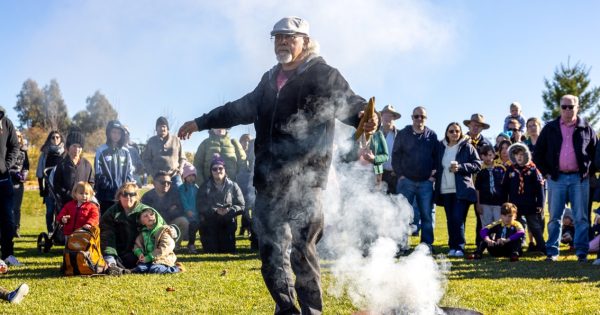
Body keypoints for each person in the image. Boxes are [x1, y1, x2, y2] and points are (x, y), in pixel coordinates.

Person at [177, 16, 378, 314]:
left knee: (302, 253)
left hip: (306, 182)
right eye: (278, 37)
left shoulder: (322, 74)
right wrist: (200, 122)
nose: (283, 42)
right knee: (270, 254)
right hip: (268, 184)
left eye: (290, 37)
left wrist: (365, 115)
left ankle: (312, 312)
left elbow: (349, 102)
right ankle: (286, 310)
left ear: (305, 42)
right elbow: (237, 109)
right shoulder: (269, 80)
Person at [534, 94, 597, 262]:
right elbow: (537, 154)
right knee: (554, 217)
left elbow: (595, 153)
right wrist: (547, 173)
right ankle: (552, 252)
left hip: (579, 179)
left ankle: (581, 252)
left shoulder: (586, 128)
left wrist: (588, 172)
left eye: (571, 106)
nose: (567, 110)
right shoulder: (550, 128)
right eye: (564, 107)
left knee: (582, 217)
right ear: (560, 107)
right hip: (556, 179)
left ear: (578, 107)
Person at [392, 106, 439, 250]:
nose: (419, 119)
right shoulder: (403, 134)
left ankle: (426, 246)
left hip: (426, 182)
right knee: (402, 215)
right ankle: (401, 245)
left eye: (422, 117)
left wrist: (433, 176)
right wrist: (400, 175)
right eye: (416, 116)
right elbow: (395, 155)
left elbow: (437, 157)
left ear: (426, 118)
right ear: (412, 117)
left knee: (426, 215)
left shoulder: (432, 135)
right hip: (406, 182)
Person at [435, 122, 481, 257]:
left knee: (458, 218)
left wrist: (461, 167)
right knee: (450, 220)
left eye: (457, 131)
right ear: (446, 133)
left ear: (461, 132)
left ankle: (460, 247)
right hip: (445, 189)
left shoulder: (468, 147)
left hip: (462, 189)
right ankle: (452, 247)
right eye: (451, 131)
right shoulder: (440, 147)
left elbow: (477, 164)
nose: (454, 133)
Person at [502, 143, 545, 253]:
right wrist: (504, 203)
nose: (519, 157)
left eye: (521, 154)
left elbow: (540, 187)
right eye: (516, 155)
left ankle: (542, 246)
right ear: (513, 156)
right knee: (517, 226)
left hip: (530, 204)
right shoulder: (510, 170)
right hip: (514, 205)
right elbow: (505, 187)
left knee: (535, 226)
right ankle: (517, 248)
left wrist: (540, 204)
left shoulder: (533, 169)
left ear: (526, 155)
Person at [197, 156, 245, 253]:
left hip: (227, 222)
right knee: (211, 251)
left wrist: (230, 210)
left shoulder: (233, 185)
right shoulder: (204, 186)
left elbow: (241, 205)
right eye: (214, 169)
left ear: (224, 169)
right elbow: (200, 205)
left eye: (220, 168)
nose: (218, 171)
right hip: (210, 224)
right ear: (211, 171)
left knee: (228, 250)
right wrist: (215, 210)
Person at [101, 182, 152, 269]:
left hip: (142, 252)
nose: (128, 197)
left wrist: (173, 230)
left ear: (136, 196)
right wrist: (110, 256)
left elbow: (160, 226)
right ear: (119, 196)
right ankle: (112, 264)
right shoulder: (111, 213)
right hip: (118, 253)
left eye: (132, 194)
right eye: (125, 194)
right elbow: (106, 236)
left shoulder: (146, 210)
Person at [463, 113, 493, 247]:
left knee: (481, 216)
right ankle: (460, 243)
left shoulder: (486, 143)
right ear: (469, 125)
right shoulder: (461, 140)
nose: (476, 127)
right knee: (461, 215)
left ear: (482, 128)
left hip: (482, 185)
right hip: (465, 183)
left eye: (479, 126)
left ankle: (480, 243)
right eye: (474, 124)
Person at [94, 120, 134, 214]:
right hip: (106, 197)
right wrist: (110, 187)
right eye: (114, 132)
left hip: (123, 196)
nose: (116, 135)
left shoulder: (126, 152)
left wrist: (123, 189)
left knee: (121, 224)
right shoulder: (101, 150)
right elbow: (98, 174)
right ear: (108, 133)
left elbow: (129, 172)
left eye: (119, 133)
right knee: (106, 224)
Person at [141, 171, 189, 248]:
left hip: (170, 224)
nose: (166, 185)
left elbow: (180, 211)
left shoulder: (174, 194)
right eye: (162, 182)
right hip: (154, 227)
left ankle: (175, 246)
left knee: (183, 221)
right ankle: (154, 245)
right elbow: (145, 217)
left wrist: (163, 214)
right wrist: (168, 211)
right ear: (154, 183)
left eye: (168, 182)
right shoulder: (147, 197)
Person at [0, 106, 21, 266]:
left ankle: (8, 254)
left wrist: (6, 166)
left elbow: (15, 147)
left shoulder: (6, 123)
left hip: (4, 180)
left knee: (8, 219)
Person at [53, 129, 94, 207]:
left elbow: (91, 182)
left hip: (84, 204)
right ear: (68, 147)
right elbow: (57, 185)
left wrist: (85, 194)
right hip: (66, 204)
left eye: (79, 147)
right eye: (74, 146)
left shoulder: (87, 164)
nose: (77, 149)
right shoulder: (62, 164)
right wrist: (70, 194)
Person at [132, 208, 181, 274]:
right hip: (149, 259)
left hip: (163, 258)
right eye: (145, 216)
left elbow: (165, 247)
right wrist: (139, 253)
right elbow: (137, 245)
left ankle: (177, 268)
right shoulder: (143, 233)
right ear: (142, 222)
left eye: (151, 214)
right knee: (140, 269)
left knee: (155, 269)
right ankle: (150, 267)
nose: (149, 216)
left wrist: (149, 257)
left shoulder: (163, 230)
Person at [142, 116, 186, 187]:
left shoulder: (176, 140)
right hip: (158, 178)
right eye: (159, 127)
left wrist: (180, 170)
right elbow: (146, 159)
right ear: (156, 129)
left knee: (179, 196)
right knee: (160, 197)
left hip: (175, 176)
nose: (162, 129)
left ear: (167, 128)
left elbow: (183, 158)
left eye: (164, 126)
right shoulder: (151, 141)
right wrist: (153, 173)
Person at [36, 130, 65, 233]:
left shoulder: (65, 153)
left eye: (58, 137)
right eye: (53, 137)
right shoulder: (45, 154)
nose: (55, 139)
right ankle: (50, 232)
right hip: (49, 187)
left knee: (61, 211)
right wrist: (41, 188)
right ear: (49, 139)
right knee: (50, 211)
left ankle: (60, 233)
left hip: (61, 188)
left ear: (61, 139)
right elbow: (40, 172)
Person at [475, 145, 506, 227]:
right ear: (481, 156)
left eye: (490, 155)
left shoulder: (501, 168)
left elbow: (506, 186)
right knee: (487, 226)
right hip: (485, 203)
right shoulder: (480, 170)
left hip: (499, 203)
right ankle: (487, 240)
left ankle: (499, 240)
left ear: (494, 155)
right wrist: (478, 204)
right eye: (485, 155)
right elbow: (477, 189)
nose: (488, 158)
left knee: (499, 225)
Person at [9, 131, 29, 237]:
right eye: (15, 136)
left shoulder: (24, 151)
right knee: (5, 207)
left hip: (18, 183)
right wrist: (12, 172)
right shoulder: (5, 148)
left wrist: (23, 175)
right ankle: (6, 229)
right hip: (6, 180)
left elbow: (26, 166)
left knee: (16, 208)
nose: (17, 138)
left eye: (19, 136)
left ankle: (16, 229)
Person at [178, 161, 200, 253]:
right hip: (186, 214)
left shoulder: (196, 187)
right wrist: (187, 210)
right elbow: (183, 200)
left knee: (195, 228)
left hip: (196, 213)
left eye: (193, 175)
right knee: (191, 227)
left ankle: (191, 243)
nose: (191, 178)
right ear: (185, 177)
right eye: (189, 175)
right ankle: (190, 244)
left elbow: (199, 200)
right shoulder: (182, 188)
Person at [380, 105, 401, 194]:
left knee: (394, 203)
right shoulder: (374, 133)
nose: (387, 118)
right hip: (377, 174)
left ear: (394, 118)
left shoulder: (401, 135)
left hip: (394, 176)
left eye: (390, 115)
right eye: (385, 115)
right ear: (381, 117)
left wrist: (398, 170)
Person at [237, 134, 254, 237]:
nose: (246, 143)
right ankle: (244, 227)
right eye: (244, 141)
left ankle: (250, 229)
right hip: (240, 183)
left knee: (252, 207)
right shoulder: (238, 154)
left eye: (248, 141)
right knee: (244, 208)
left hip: (251, 183)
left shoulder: (254, 153)